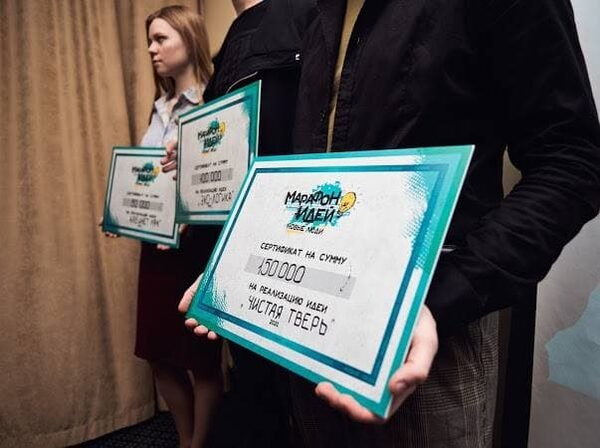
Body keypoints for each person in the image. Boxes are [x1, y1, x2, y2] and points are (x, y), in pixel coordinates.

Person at [182, 0, 600, 447]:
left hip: (429, 338)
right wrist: (245, 257)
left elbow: (571, 161)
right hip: (313, 332)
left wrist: (441, 299)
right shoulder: (318, 12)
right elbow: (314, 171)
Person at [161, 1, 316, 446]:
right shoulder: (233, 41)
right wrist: (194, 152)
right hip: (239, 248)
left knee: (296, 402)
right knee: (259, 393)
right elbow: (233, 140)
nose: (153, 49)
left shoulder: (304, 17)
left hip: (288, 244)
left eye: (161, 38)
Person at [130, 6, 221, 448]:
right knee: (157, 353)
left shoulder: (214, 102)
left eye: (161, 38)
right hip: (155, 248)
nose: (152, 49)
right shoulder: (159, 107)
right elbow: (146, 177)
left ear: (189, 38)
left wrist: (189, 218)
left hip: (195, 249)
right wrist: (122, 212)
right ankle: (185, 440)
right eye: (150, 40)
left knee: (199, 359)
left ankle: (198, 444)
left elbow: (220, 180)